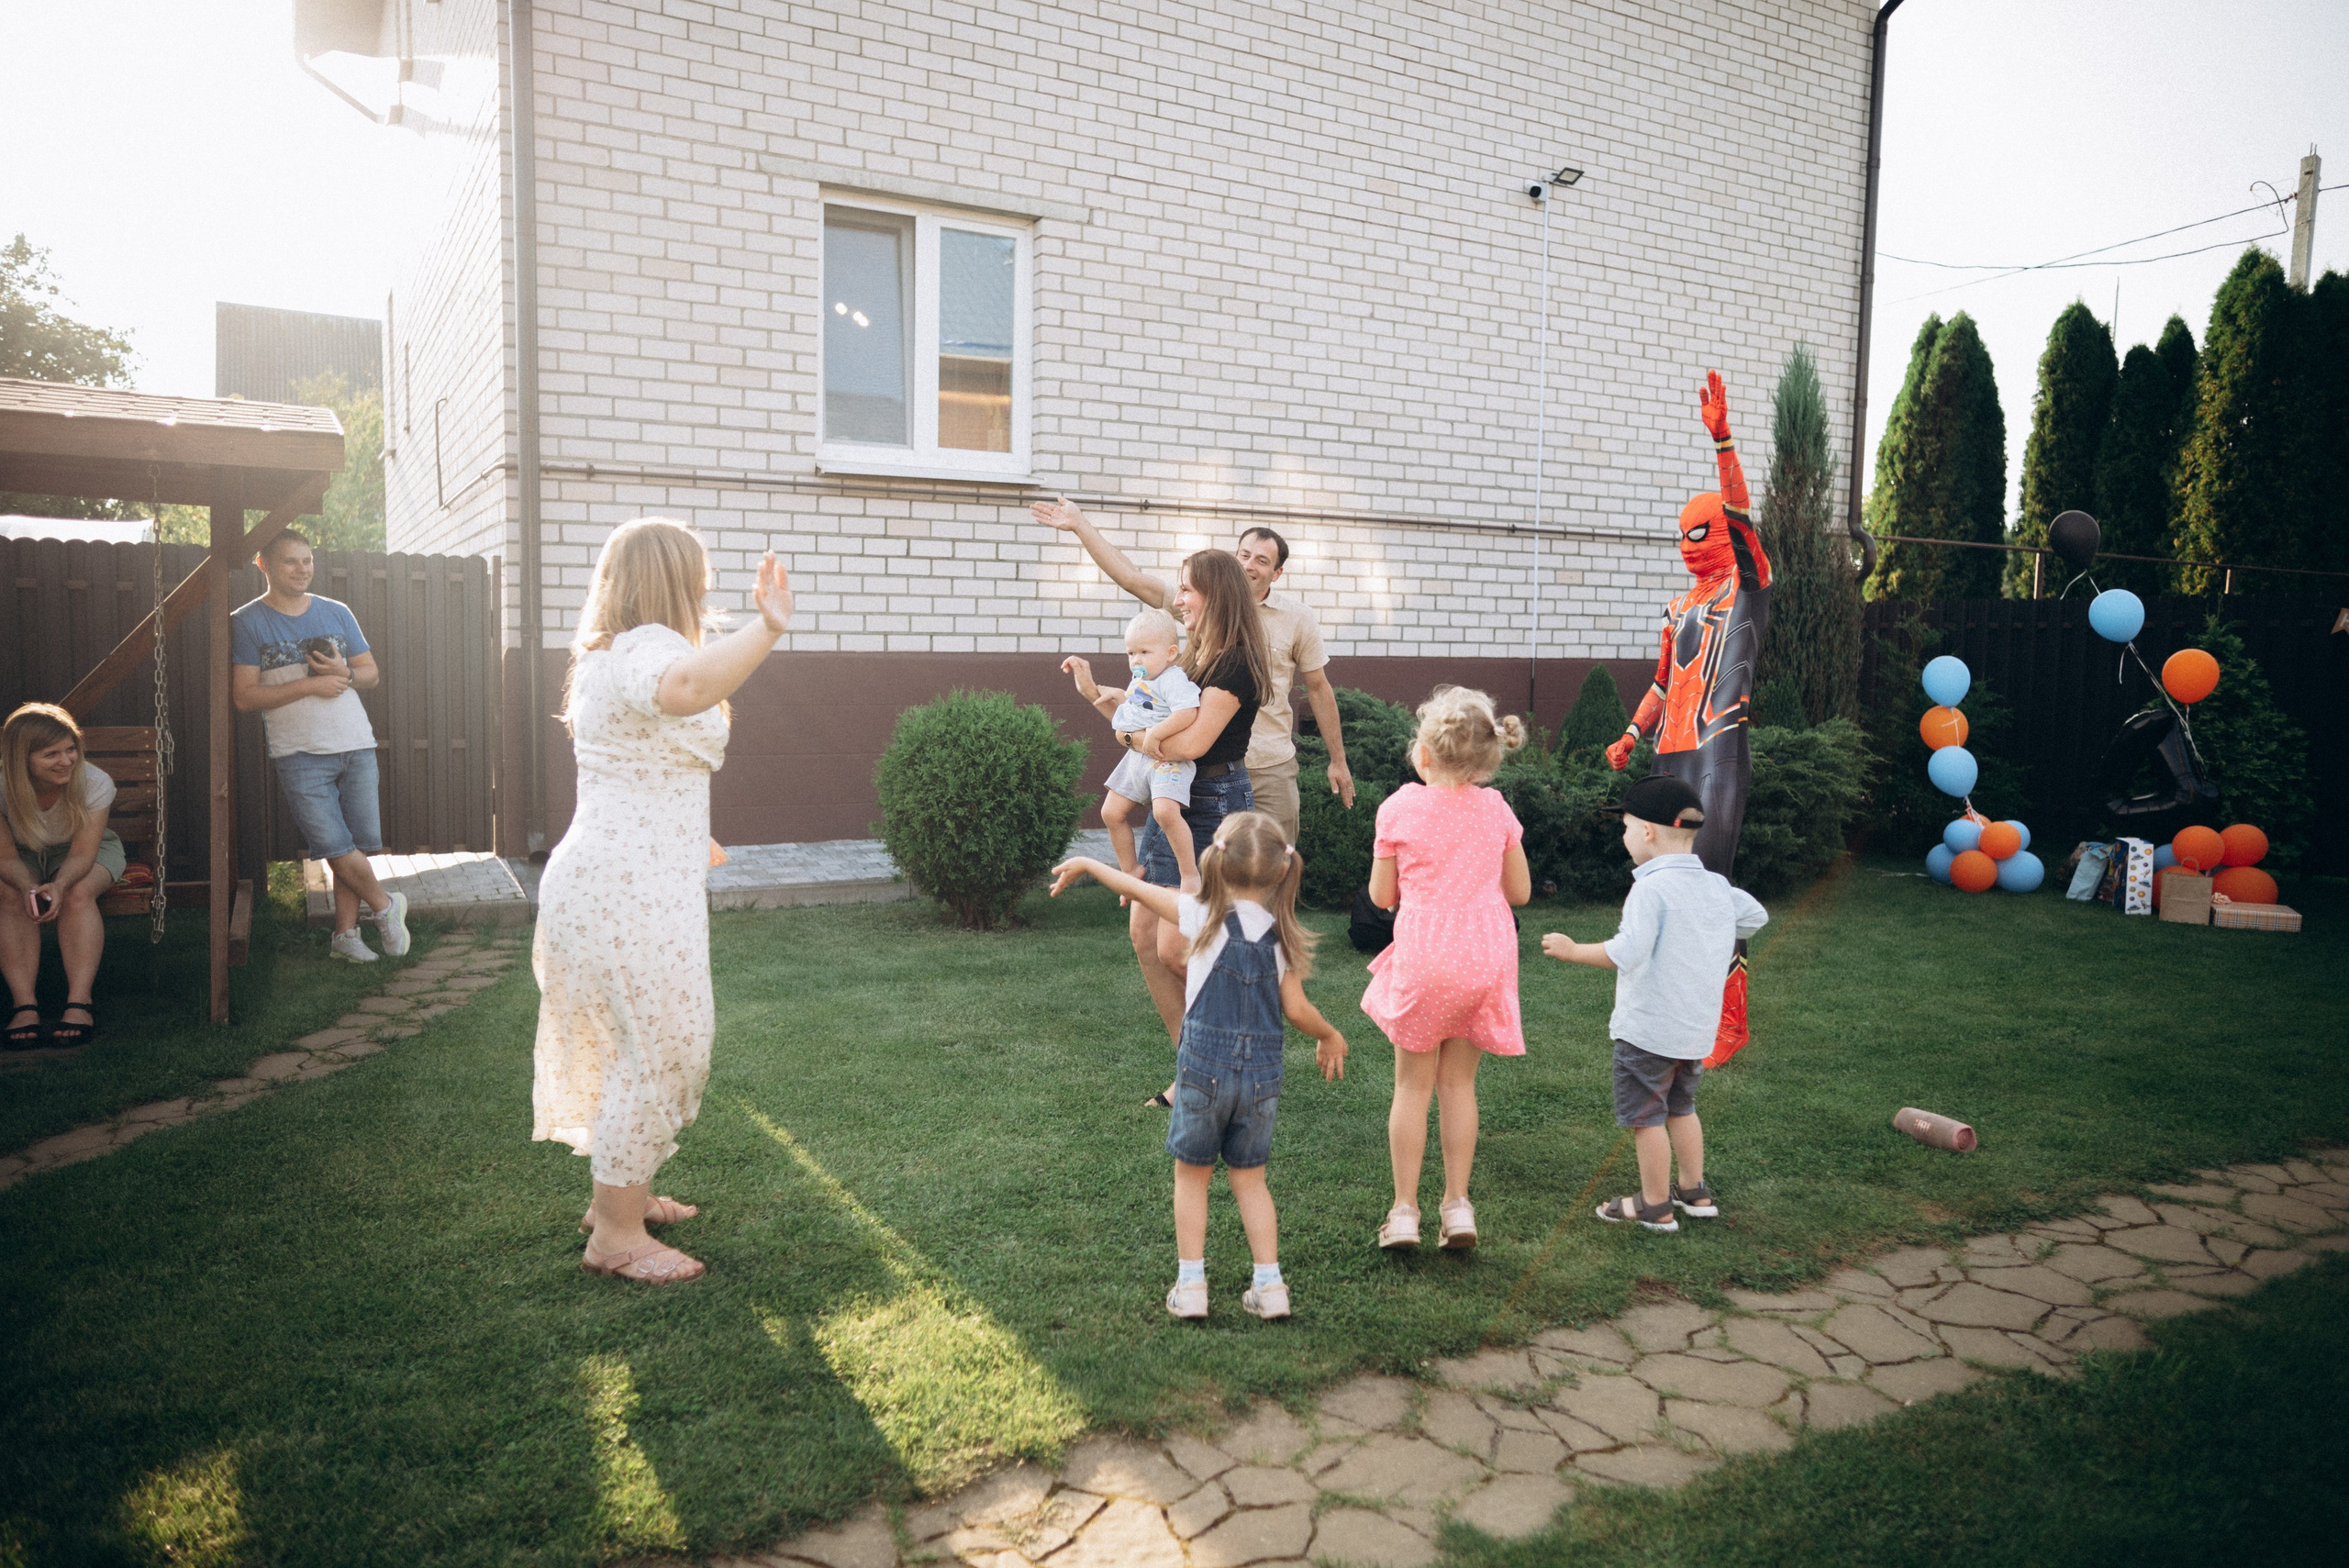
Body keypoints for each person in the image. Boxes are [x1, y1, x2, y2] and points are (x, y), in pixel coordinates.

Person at [534, 518, 792, 1285]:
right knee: (668, 1045)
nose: (707, 586)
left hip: (614, 876)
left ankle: (625, 1196)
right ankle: (614, 1234)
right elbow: (684, 691)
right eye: (701, 575)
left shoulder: (607, 655)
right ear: (673, 579)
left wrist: (690, 839)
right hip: (624, 888)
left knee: (635, 1042)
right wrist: (767, 628)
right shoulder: (649, 647)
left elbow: (638, 768)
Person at [1050, 811, 1347, 1320]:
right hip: (1260, 1081)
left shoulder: (1199, 914)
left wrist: (1091, 865)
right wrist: (1329, 1035)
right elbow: (1296, 1010)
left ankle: (1191, 1288)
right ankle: (1270, 1287)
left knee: (1192, 1178)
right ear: (1280, 871)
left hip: (1201, 1073)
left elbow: (1140, 891)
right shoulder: (1282, 937)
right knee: (1250, 1180)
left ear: (1217, 860)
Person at [1603, 373, 1772, 1064]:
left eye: (1698, 531)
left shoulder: (1747, 587)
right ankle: (1666, 1007)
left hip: (1718, 748)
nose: (1689, 543)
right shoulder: (1679, 606)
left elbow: (1742, 520)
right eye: (1682, 534)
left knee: (1709, 884)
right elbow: (1659, 678)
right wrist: (1632, 732)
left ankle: (1727, 1018)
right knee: (1658, 884)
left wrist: (1723, 441)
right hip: (1668, 755)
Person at [1031, 499, 1355, 844]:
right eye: (1243, 555)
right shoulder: (1199, 608)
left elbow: (1319, 688)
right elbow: (1131, 578)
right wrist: (1081, 525)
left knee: (1270, 875)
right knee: (1202, 881)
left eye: (1262, 560)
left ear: (1277, 573)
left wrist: (1338, 759)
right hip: (1202, 767)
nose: (1249, 565)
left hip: (1267, 766)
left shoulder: (1297, 619)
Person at [1542, 773, 1768, 1232]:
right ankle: (1695, 1192)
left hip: (1648, 1032)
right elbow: (1755, 916)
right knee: (1682, 1108)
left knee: (1647, 1119)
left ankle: (1655, 1205)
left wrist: (1571, 950)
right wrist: (1717, 924)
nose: (1625, 836)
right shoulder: (1714, 886)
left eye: (1625, 827)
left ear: (1646, 831)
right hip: (1693, 1032)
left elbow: (1627, 952)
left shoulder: (1650, 888)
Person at [1362, 687, 1532, 1252]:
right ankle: (1457, 1207)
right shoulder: (1496, 809)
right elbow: (1522, 892)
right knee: (1459, 1084)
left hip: (1427, 954)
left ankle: (1404, 1211)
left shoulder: (1399, 808)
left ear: (1425, 754)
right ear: (1487, 759)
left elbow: (1383, 896)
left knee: (1413, 1087)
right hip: (1485, 955)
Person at [230, 529, 410, 963]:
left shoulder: (337, 612)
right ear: (264, 565)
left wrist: (344, 672)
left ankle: (345, 937)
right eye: (290, 561)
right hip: (299, 751)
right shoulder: (247, 621)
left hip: (355, 742)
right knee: (333, 844)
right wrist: (309, 684)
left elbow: (370, 674)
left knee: (357, 844)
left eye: (307, 561)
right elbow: (245, 697)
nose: (302, 569)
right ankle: (386, 907)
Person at [0, 704, 125, 1049]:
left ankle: (79, 1001)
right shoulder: (1, 785)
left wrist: (58, 884)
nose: (66, 761)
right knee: (11, 895)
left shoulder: (95, 783)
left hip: (85, 850)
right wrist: (29, 885)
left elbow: (84, 854)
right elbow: (6, 856)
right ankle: (24, 1005)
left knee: (78, 893)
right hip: (21, 855)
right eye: (50, 754)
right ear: (21, 759)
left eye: (71, 749)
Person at [1063, 607, 1203, 891]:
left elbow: (1188, 712)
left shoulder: (1173, 679)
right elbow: (1138, 707)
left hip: (1167, 760)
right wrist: (1112, 693)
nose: (1136, 660)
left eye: (1144, 652)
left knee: (1165, 813)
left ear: (1170, 653)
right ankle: (1131, 871)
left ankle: (1189, 873)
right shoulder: (1142, 679)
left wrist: (1156, 734)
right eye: (1130, 653)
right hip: (1137, 757)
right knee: (1111, 814)